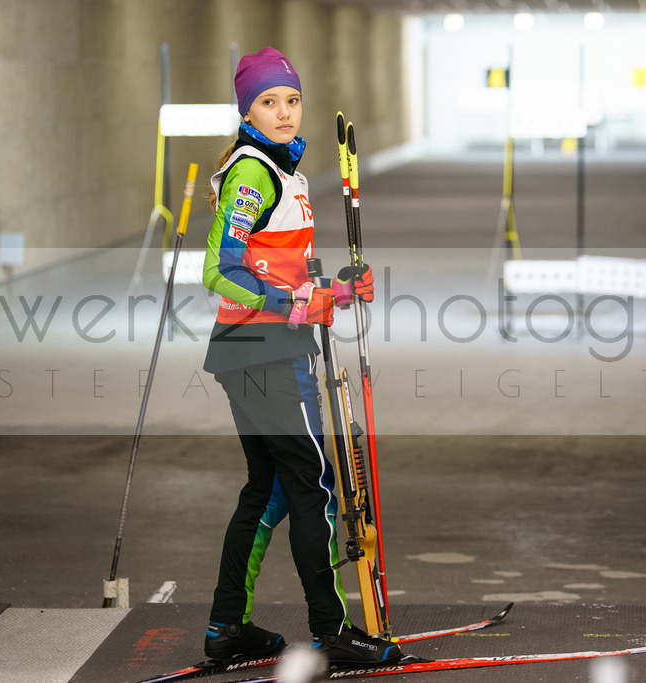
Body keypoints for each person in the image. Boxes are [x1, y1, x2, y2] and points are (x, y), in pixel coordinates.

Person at [200, 46, 396, 668]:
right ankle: (331, 633)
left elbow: (277, 271)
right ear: (247, 110)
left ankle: (227, 627)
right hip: (267, 353)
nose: (284, 112)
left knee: (269, 490)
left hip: (252, 351)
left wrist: (334, 293)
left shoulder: (282, 172)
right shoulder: (254, 171)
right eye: (268, 101)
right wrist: (294, 309)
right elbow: (219, 270)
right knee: (313, 486)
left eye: (291, 100)